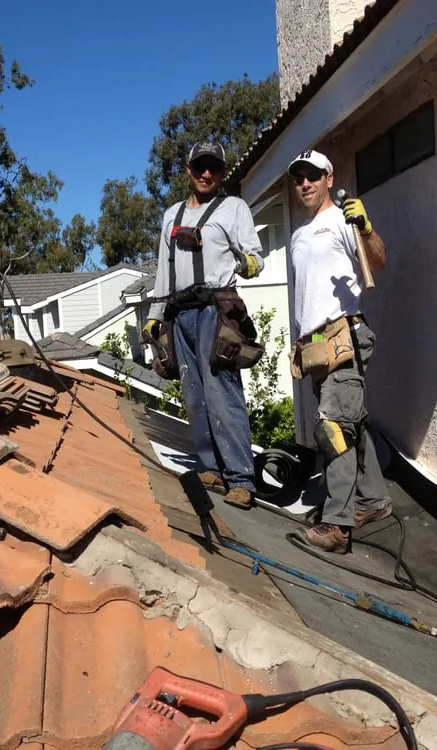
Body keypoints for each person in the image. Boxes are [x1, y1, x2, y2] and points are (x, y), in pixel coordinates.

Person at [143, 140, 265, 509]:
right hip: (181, 313)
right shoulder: (172, 215)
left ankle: (241, 479)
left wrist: (243, 263)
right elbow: (164, 268)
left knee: (222, 393)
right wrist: (154, 314)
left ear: (222, 172)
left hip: (216, 309)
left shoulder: (233, 208)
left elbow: (256, 257)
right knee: (194, 395)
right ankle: (209, 466)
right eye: (200, 167)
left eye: (213, 167)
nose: (206, 174)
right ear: (188, 169)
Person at [286, 148, 392, 552]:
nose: (305, 184)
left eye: (313, 176)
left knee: (332, 426)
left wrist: (364, 227)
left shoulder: (343, 220)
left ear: (329, 178)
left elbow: (378, 261)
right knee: (351, 423)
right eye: (299, 178)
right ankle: (373, 499)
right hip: (314, 346)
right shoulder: (298, 235)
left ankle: (337, 525)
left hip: (345, 336)